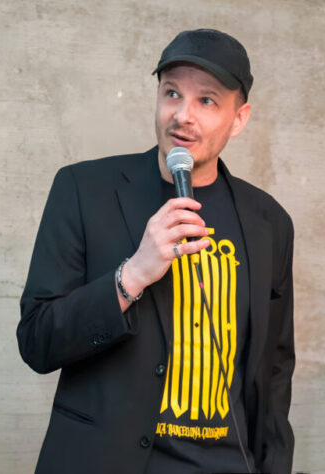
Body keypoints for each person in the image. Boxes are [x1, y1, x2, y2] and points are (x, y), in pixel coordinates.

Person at [18, 28, 294, 474]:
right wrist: (130, 276)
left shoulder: (269, 222)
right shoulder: (84, 191)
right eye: (172, 93)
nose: (182, 115)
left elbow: (274, 369)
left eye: (207, 100)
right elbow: (36, 341)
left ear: (239, 119)